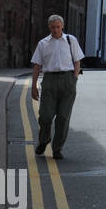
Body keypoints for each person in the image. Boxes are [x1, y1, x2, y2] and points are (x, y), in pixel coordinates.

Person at [30, 14, 84, 159]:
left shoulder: (70, 40)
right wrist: (33, 85)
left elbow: (77, 61)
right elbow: (37, 65)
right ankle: (44, 140)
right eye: (53, 27)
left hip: (68, 80)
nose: (55, 30)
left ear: (62, 26)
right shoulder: (43, 43)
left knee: (63, 117)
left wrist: (74, 79)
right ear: (49, 27)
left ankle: (57, 149)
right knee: (45, 116)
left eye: (58, 27)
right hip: (49, 81)